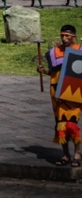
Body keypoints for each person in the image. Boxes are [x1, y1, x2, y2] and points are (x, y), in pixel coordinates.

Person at [38, 24, 81, 167]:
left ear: (73, 37)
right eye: (62, 35)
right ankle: (65, 155)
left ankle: (77, 153)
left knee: (72, 123)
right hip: (57, 92)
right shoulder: (54, 52)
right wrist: (44, 71)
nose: (64, 38)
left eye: (67, 36)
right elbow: (55, 73)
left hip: (74, 92)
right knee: (60, 123)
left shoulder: (80, 50)